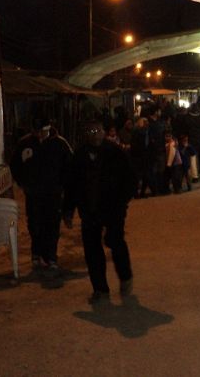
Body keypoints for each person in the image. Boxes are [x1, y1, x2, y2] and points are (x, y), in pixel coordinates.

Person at [63, 120, 137, 303]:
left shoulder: (116, 152)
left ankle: (125, 276)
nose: (95, 134)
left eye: (98, 130)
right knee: (92, 249)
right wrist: (68, 210)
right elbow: (72, 184)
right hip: (89, 210)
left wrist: (122, 202)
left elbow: (130, 179)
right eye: (91, 130)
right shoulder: (80, 156)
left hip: (113, 208)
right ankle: (100, 289)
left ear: (103, 132)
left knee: (115, 241)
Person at [9, 118, 72, 272]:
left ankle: (51, 257)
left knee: (52, 224)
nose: (39, 135)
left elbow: (70, 166)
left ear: (48, 129)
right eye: (36, 131)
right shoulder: (25, 144)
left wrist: (62, 185)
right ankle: (36, 254)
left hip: (53, 193)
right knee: (35, 224)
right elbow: (15, 164)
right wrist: (23, 183)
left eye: (42, 131)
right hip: (33, 193)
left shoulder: (60, 144)